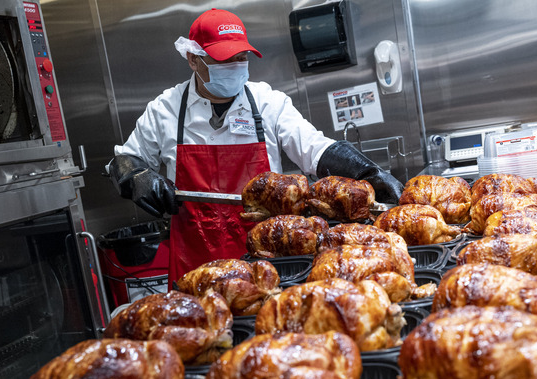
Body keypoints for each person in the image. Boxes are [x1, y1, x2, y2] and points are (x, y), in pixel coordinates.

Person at [107, 8, 403, 285]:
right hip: (195, 266)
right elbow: (125, 161)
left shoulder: (266, 102)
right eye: (224, 60)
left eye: (241, 57)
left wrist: (367, 171)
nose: (235, 67)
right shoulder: (166, 110)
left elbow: (314, 148)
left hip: (266, 257)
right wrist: (137, 177)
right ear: (193, 59)